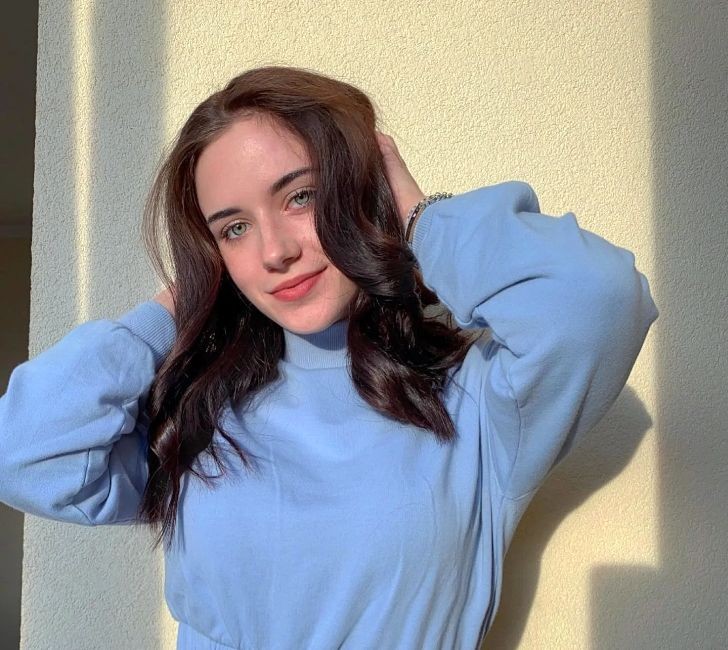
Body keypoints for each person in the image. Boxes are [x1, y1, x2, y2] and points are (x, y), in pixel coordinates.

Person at [0, 65, 659, 649]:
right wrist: (175, 309)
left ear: (359, 191)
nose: (274, 251)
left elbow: (596, 299)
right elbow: (21, 452)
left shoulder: (474, 405)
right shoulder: (196, 413)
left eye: (300, 196)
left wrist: (421, 219)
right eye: (234, 228)